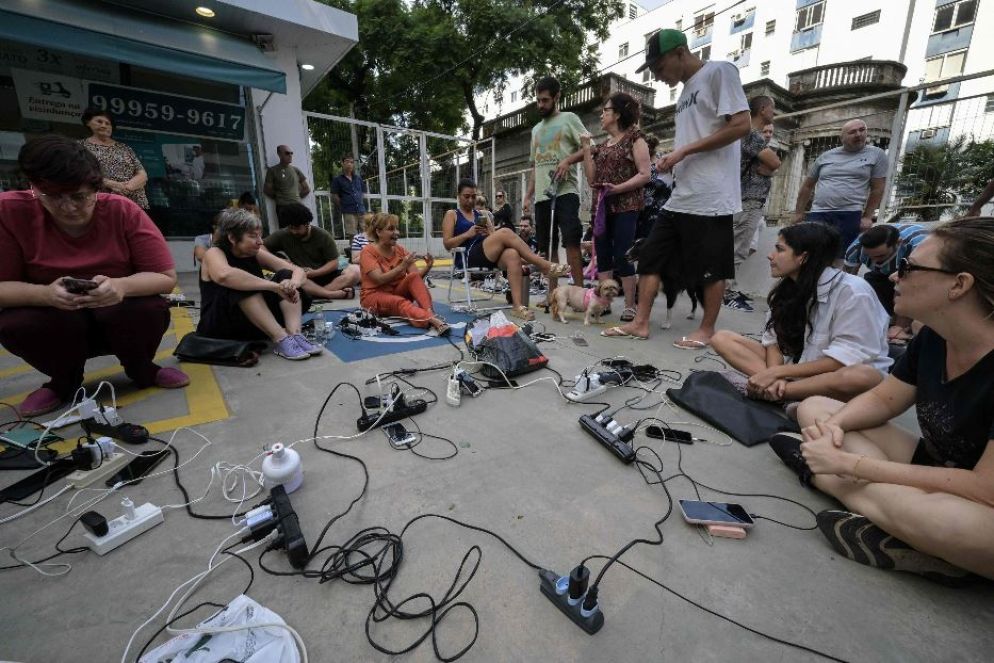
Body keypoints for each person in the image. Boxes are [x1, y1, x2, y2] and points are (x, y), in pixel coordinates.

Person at [776, 217, 994, 584]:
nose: (894, 276)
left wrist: (851, 464)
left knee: (957, 525)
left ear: (959, 285)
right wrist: (834, 428)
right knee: (818, 408)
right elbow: (883, 398)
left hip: (980, 501)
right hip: (936, 470)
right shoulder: (936, 337)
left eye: (908, 267)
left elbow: (983, 489)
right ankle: (904, 527)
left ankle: (833, 480)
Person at [0, 135, 188, 417]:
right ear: (33, 187)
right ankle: (63, 382)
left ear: (96, 188)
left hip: (117, 313)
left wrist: (121, 286)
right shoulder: (9, 211)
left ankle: (142, 368)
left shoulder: (122, 210)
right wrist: (44, 295)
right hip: (54, 317)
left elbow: (164, 276)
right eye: (52, 196)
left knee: (148, 307)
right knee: (17, 322)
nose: (68, 207)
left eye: (79, 196)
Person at [604, 28, 750, 345]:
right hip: (681, 195)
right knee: (652, 255)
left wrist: (684, 151)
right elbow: (697, 135)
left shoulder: (719, 72)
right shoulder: (684, 94)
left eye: (659, 67)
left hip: (712, 194)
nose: (657, 76)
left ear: (680, 52)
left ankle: (706, 330)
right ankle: (640, 322)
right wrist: (675, 157)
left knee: (712, 267)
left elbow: (741, 125)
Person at [710, 223, 890, 409]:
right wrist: (775, 373)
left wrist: (778, 373)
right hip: (796, 370)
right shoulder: (785, 288)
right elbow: (774, 342)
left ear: (803, 257)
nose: (770, 255)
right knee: (722, 338)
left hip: (832, 376)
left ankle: (782, 392)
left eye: (780, 250)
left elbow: (842, 360)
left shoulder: (853, 292)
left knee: (861, 377)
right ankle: (782, 391)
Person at [197, 208, 320, 361]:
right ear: (232, 238)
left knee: (285, 275)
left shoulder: (254, 252)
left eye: (260, 236)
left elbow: (297, 270)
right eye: (253, 236)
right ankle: (280, 338)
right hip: (222, 326)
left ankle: (294, 334)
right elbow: (225, 276)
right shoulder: (214, 253)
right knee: (242, 283)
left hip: (251, 322)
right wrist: (275, 287)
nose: (260, 242)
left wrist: (291, 284)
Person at [442, 179, 570, 322]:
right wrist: (468, 234)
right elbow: (447, 244)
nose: (471, 200)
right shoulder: (452, 214)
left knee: (512, 254)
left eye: (473, 196)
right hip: (466, 255)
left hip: (486, 252)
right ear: (458, 196)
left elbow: (494, 237)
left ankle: (517, 306)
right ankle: (544, 265)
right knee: (505, 232)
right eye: (467, 196)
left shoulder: (481, 215)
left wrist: (488, 236)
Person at [579, 91, 651, 322]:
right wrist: (586, 148)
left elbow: (645, 174)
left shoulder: (635, 138)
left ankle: (630, 305)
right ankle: (603, 303)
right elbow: (591, 179)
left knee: (623, 254)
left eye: (605, 110)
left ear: (618, 114)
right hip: (601, 208)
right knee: (604, 255)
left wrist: (618, 188)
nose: (601, 115)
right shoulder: (602, 145)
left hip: (626, 206)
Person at [524, 77, 587, 302]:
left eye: (545, 100)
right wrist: (528, 195)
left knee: (571, 242)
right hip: (542, 195)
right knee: (547, 247)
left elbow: (590, 147)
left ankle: (579, 295)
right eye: (538, 100)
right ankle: (553, 295)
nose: (540, 105)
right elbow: (534, 165)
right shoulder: (535, 130)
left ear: (557, 97)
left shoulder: (569, 119)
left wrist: (568, 160)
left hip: (566, 191)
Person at [792, 119, 887, 254]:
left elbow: (878, 188)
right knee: (812, 254)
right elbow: (807, 186)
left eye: (862, 130)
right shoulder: (826, 156)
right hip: (819, 213)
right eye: (852, 132)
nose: (858, 134)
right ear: (842, 137)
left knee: (840, 257)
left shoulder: (877, 155)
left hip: (850, 214)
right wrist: (799, 212)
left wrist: (867, 216)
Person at [724, 95, 781, 313]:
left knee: (737, 246)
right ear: (763, 109)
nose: (773, 114)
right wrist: (770, 166)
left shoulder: (748, 135)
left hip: (744, 199)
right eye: (772, 109)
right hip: (748, 200)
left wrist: (768, 167)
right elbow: (775, 162)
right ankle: (726, 292)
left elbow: (770, 166)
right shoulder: (751, 134)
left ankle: (728, 289)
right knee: (737, 248)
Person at [359, 212, 449, 334]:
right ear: (378, 232)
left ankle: (430, 313)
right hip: (373, 296)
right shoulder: (367, 252)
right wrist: (402, 266)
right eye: (391, 229)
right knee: (398, 302)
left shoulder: (400, 250)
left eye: (396, 229)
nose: (396, 233)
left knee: (412, 278)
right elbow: (379, 279)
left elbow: (416, 278)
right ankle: (430, 319)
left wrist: (428, 267)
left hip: (396, 293)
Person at [843, 223, 929, 342]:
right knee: (868, 290)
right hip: (881, 273)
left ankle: (900, 327)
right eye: (869, 256)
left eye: (880, 256)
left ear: (898, 243)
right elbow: (847, 282)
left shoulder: (919, 244)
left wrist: (900, 324)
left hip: (916, 269)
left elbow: (920, 280)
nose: (874, 260)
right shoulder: (855, 249)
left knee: (905, 286)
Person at [264, 203, 360, 300]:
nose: (294, 232)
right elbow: (261, 248)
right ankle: (327, 294)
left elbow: (334, 263)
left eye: (297, 228)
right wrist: (278, 260)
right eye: (291, 228)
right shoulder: (282, 234)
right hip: (300, 277)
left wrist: (315, 272)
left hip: (324, 276)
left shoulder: (322, 235)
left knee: (355, 273)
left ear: (307, 224)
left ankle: (315, 294)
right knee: (286, 278)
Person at [80, 107, 149, 209]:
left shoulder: (125, 148)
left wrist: (126, 187)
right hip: (100, 202)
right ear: (88, 122)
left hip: (134, 203)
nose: (104, 125)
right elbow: (79, 173)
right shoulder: (79, 147)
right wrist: (111, 184)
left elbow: (142, 174)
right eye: (99, 121)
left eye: (108, 124)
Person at [263, 145, 310, 216]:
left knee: (302, 226)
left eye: (291, 153)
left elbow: (307, 189)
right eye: (287, 153)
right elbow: (267, 190)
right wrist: (280, 198)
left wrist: (296, 197)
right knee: (287, 227)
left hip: (297, 206)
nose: (290, 155)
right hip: (283, 208)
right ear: (279, 154)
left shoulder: (296, 170)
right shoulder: (272, 170)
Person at [330, 154, 366, 238]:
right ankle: (354, 250)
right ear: (342, 163)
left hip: (361, 210)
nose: (349, 164)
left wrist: (359, 202)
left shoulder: (358, 178)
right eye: (347, 162)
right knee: (352, 234)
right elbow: (334, 196)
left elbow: (363, 192)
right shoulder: (337, 180)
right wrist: (344, 205)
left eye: (351, 162)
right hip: (348, 211)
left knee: (365, 231)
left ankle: (365, 250)